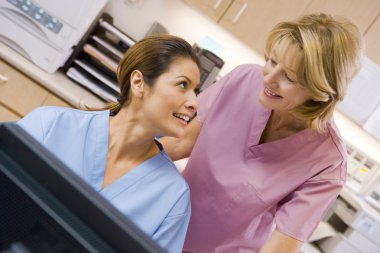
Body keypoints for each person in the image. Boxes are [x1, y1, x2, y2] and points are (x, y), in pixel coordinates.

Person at [161, 13, 364, 253]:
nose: (268, 78)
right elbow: (179, 144)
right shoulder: (243, 79)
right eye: (271, 60)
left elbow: (280, 245)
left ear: (320, 91)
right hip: (163, 225)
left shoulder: (327, 163)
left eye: (288, 76)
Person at [17, 34, 201, 253]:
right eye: (183, 85)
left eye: (196, 91)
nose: (194, 103)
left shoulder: (173, 198)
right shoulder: (48, 126)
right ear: (138, 82)